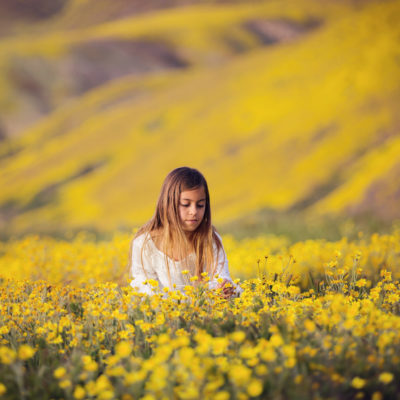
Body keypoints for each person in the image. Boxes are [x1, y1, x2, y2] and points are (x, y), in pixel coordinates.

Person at [127, 167, 242, 299]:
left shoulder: (210, 239)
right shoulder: (144, 244)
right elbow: (144, 287)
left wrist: (223, 286)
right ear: (168, 203)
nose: (193, 211)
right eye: (186, 204)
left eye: (200, 205)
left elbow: (222, 276)